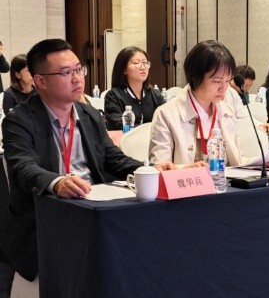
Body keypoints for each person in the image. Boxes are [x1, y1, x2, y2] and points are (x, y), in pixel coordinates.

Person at [1, 39, 172, 285]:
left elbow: (113, 158)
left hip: (94, 210)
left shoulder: (89, 114)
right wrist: (57, 182)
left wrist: (149, 169)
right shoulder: (19, 120)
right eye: (66, 73)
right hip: (46, 218)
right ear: (40, 81)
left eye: (78, 69)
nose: (77, 78)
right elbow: (23, 166)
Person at [149, 40, 250, 168]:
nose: (223, 88)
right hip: (188, 181)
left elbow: (237, 160)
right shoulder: (166, 114)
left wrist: (262, 162)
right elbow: (159, 168)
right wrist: (186, 170)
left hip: (223, 180)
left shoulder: (227, 112)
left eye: (227, 81)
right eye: (217, 81)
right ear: (195, 76)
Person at [104, 47, 164, 130]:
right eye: (136, 63)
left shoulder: (155, 94)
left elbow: (167, 119)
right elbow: (118, 125)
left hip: (153, 137)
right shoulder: (114, 96)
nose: (143, 67)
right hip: (126, 138)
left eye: (145, 62)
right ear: (124, 69)